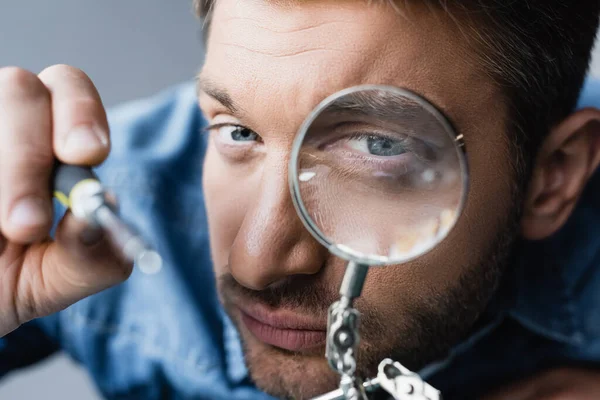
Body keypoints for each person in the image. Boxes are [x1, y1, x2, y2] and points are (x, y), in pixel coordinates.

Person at [1, 0, 600, 399]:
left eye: (376, 145)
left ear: (554, 176)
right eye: (238, 131)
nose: (254, 264)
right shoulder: (99, 202)